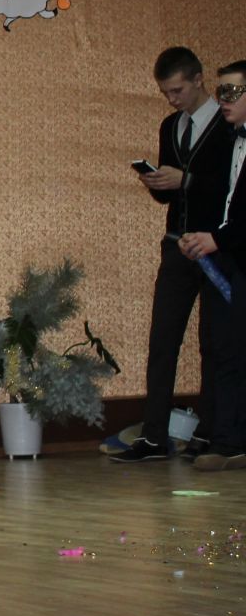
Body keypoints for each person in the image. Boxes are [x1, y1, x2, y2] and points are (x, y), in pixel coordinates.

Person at [118, 47, 236, 462]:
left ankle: (209, 431)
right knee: (163, 339)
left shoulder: (228, 125)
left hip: (216, 248)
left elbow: (229, 189)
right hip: (176, 244)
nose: (172, 100)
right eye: (166, 92)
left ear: (199, 79)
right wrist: (159, 183)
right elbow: (171, 194)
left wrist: (186, 180)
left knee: (213, 342)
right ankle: (154, 437)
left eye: (178, 90)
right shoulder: (170, 126)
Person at [178, 60, 246, 471]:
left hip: (236, 254)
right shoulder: (229, 141)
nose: (224, 99)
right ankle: (226, 439)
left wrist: (217, 239)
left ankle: (231, 440)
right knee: (222, 347)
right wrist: (202, 238)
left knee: (236, 348)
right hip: (229, 258)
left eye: (233, 92)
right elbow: (226, 204)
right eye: (221, 92)